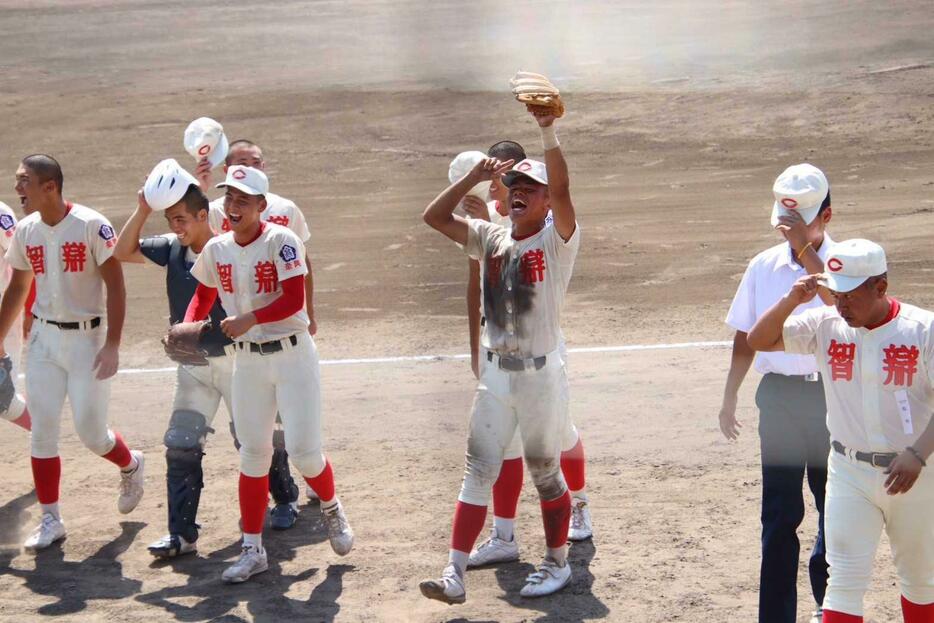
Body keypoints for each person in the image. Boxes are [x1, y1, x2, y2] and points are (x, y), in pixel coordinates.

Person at [419, 103, 579, 603]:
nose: (518, 197)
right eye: (514, 190)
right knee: (478, 469)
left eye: (530, 191)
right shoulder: (489, 235)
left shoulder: (558, 241)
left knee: (545, 474)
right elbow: (433, 216)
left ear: (547, 202)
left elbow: (565, 189)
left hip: (539, 376)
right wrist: (472, 176)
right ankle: (454, 572)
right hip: (496, 375)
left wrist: (547, 131)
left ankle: (557, 564)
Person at [113, 166, 302, 558]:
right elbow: (122, 250)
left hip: (236, 364)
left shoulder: (227, 251)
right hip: (194, 367)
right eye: (171, 220)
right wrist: (144, 208)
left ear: (203, 216)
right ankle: (181, 535)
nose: (176, 227)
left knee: (253, 441)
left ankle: (285, 498)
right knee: (180, 445)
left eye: (181, 219)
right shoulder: (171, 249)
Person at [747, 238, 934, 623]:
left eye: (849, 295)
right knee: (844, 582)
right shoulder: (826, 325)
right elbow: (758, 340)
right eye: (835, 293)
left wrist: (918, 454)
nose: (840, 304)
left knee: (920, 583)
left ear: (880, 287)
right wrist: (791, 301)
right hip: (849, 471)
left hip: (917, 476)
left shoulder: (923, 330)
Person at [186, 165, 353, 583]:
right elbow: (205, 290)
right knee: (253, 453)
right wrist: (190, 324)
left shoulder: (283, 241)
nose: (233, 205)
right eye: (229, 198)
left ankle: (331, 507)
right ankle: (252, 549)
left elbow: (295, 299)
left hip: (293, 357)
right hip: (249, 363)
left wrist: (249, 318)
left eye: (243, 200)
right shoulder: (218, 248)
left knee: (303, 451)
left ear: (262, 206)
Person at [0, 154, 144, 552]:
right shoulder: (26, 231)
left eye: (24, 181)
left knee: (91, 433)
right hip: (45, 342)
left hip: (88, 342)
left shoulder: (92, 225)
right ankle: (51, 518)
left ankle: (131, 464)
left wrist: (113, 344)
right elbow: (17, 288)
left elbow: (116, 286)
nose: (18, 190)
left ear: (50, 187)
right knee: (42, 432)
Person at [463, 141, 592, 570]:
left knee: (559, 436)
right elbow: (477, 282)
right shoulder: (495, 222)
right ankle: (503, 535)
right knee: (506, 449)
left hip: (545, 347)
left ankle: (580, 503)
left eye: (514, 179)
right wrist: (472, 342)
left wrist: (550, 131)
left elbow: (564, 192)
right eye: (503, 180)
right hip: (500, 348)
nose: (504, 189)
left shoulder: (544, 219)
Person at [720, 163, 835, 623]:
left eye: (801, 220)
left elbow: (849, 316)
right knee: (780, 516)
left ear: (827, 215)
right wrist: (730, 396)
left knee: (836, 510)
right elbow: (744, 335)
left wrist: (810, 258)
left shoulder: (850, 262)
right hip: (781, 400)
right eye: (785, 220)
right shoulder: (762, 266)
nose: (789, 228)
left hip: (833, 398)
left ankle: (832, 607)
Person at [0, 199, 31, 432]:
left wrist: (30, 310)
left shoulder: (2, 215)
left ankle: (48, 435)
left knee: (4, 400)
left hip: (3, 312)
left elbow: (26, 262)